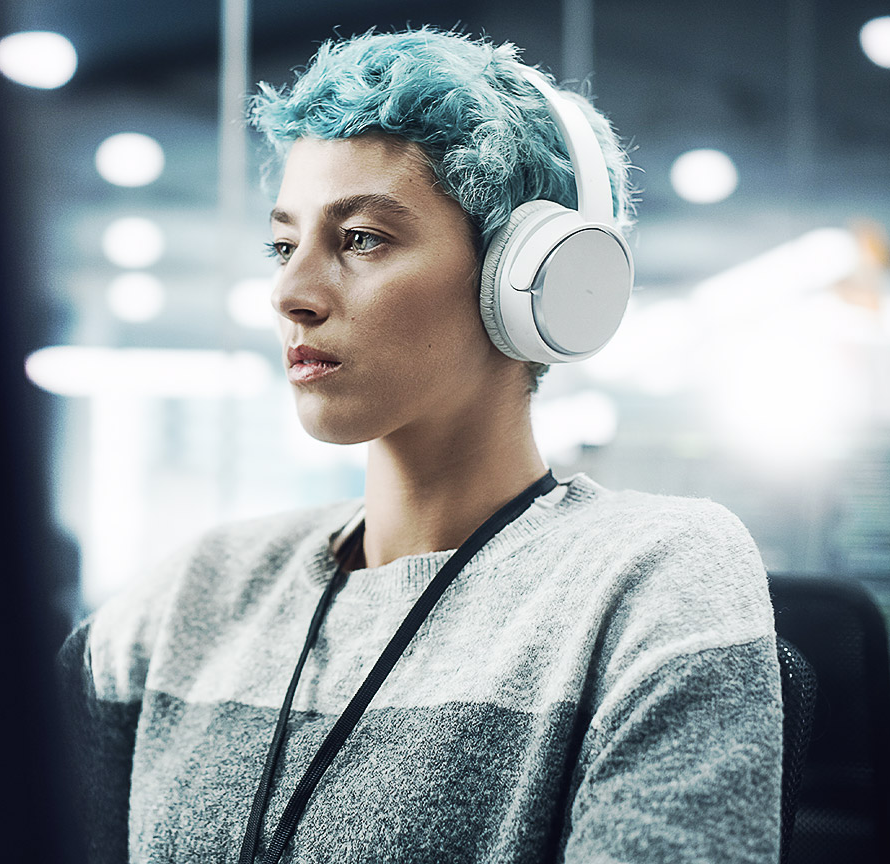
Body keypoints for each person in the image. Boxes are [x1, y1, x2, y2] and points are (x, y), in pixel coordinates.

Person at [58, 28, 782, 864]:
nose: (290, 293)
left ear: (530, 278)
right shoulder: (196, 594)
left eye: (361, 238)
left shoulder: (650, 576)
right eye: (283, 245)